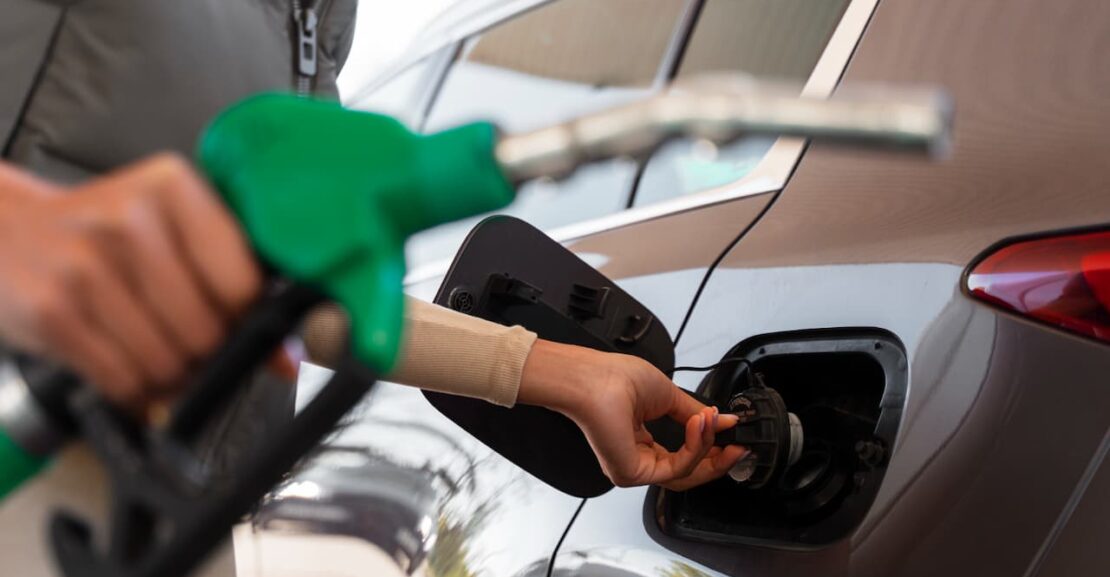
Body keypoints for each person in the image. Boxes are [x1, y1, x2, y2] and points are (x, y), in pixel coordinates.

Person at [0, 0, 745, 494]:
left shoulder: (312, 24)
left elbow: (294, 285)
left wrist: (565, 373)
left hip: (171, 505)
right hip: (30, 448)